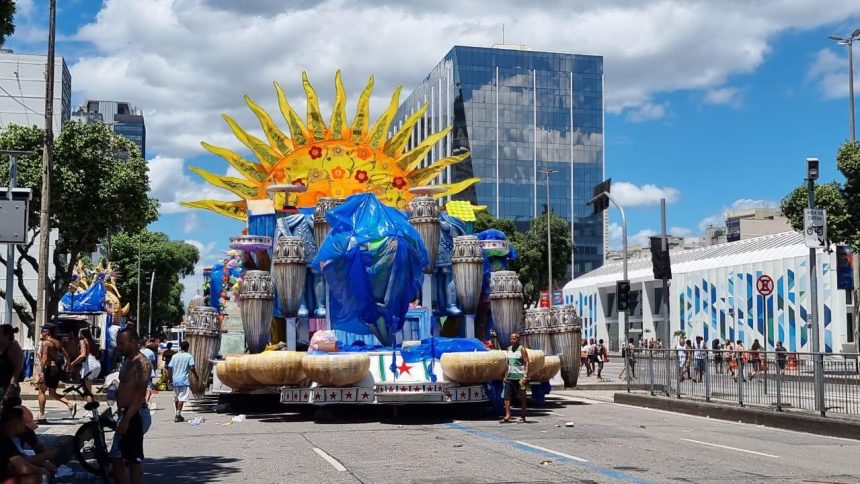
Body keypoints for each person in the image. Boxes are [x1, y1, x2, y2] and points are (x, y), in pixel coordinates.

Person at [112, 328, 153, 484]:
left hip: (134, 414)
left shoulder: (142, 364)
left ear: (134, 343)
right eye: (118, 343)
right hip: (126, 413)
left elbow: (140, 393)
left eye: (122, 343)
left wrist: (127, 419)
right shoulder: (129, 361)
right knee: (121, 458)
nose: (119, 347)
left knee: (129, 459)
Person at [36, 325, 75, 421]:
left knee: (42, 391)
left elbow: (44, 358)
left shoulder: (46, 343)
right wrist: (69, 365)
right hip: (56, 369)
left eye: (43, 330)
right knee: (52, 393)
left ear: (48, 332)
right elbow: (66, 355)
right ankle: (70, 404)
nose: (41, 332)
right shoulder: (57, 342)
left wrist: (41, 372)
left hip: (49, 368)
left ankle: (41, 414)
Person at [500, 332, 530, 424]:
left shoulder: (522, 349)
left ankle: (523, 416)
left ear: (518, 339)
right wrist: (505, 376)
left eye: (514, 338)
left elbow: (527, 362)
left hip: (520, 378)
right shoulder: (509, 349)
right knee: (507, 397)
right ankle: (508, 416)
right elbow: (507, 364)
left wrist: (525, 375)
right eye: (511, 338)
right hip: (510, 377)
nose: (512, 340)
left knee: (522, 397)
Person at [167, 341, 199, 423]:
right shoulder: (189, 356)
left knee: (176, 398)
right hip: (183, 380)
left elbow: (170, 368)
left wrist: (169, 378)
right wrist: (196, 376)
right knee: (182, 398)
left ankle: (177, 413)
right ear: (187, 347)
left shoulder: (174, 356)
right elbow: (192, 367)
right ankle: (177, 415)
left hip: (175, 380)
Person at [69, 328, 101, 403]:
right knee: (88, 389)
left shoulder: (82, 341)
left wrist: (72, 364)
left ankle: (90, 410)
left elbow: (83, 355)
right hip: (95, 363)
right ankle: (94, 409)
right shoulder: (90, 341)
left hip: (88, 364)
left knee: (86, 390)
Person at [0, 325, 24, 407]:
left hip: (6, 387)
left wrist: (12, 385)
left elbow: (18, 369)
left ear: (6, 335)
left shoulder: (13, 347)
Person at [139, 340, 157, 404]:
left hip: (140, 371)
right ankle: (146, 401)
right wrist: (154, 369)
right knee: (149, 386)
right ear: (145, 344)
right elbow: (154, 362)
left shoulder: (138, 352)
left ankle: (142, 400)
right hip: (149, 371)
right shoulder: (150, 352)